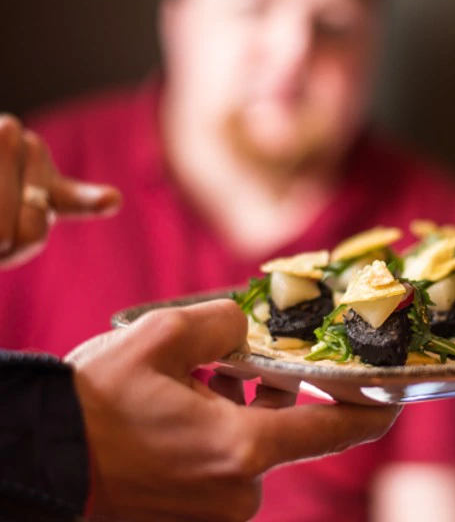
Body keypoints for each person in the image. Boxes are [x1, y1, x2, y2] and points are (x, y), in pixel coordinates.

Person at [0, 0, 455, 520]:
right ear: (177, 21)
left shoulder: (443, 233)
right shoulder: (34, 182)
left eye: (335, 25)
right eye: (252, 7)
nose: (295, 48)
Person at [0, 119, 400, 522]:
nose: (292, 54)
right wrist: (57, 445)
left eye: (334, 48)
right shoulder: (43, 156)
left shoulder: (420, 197)